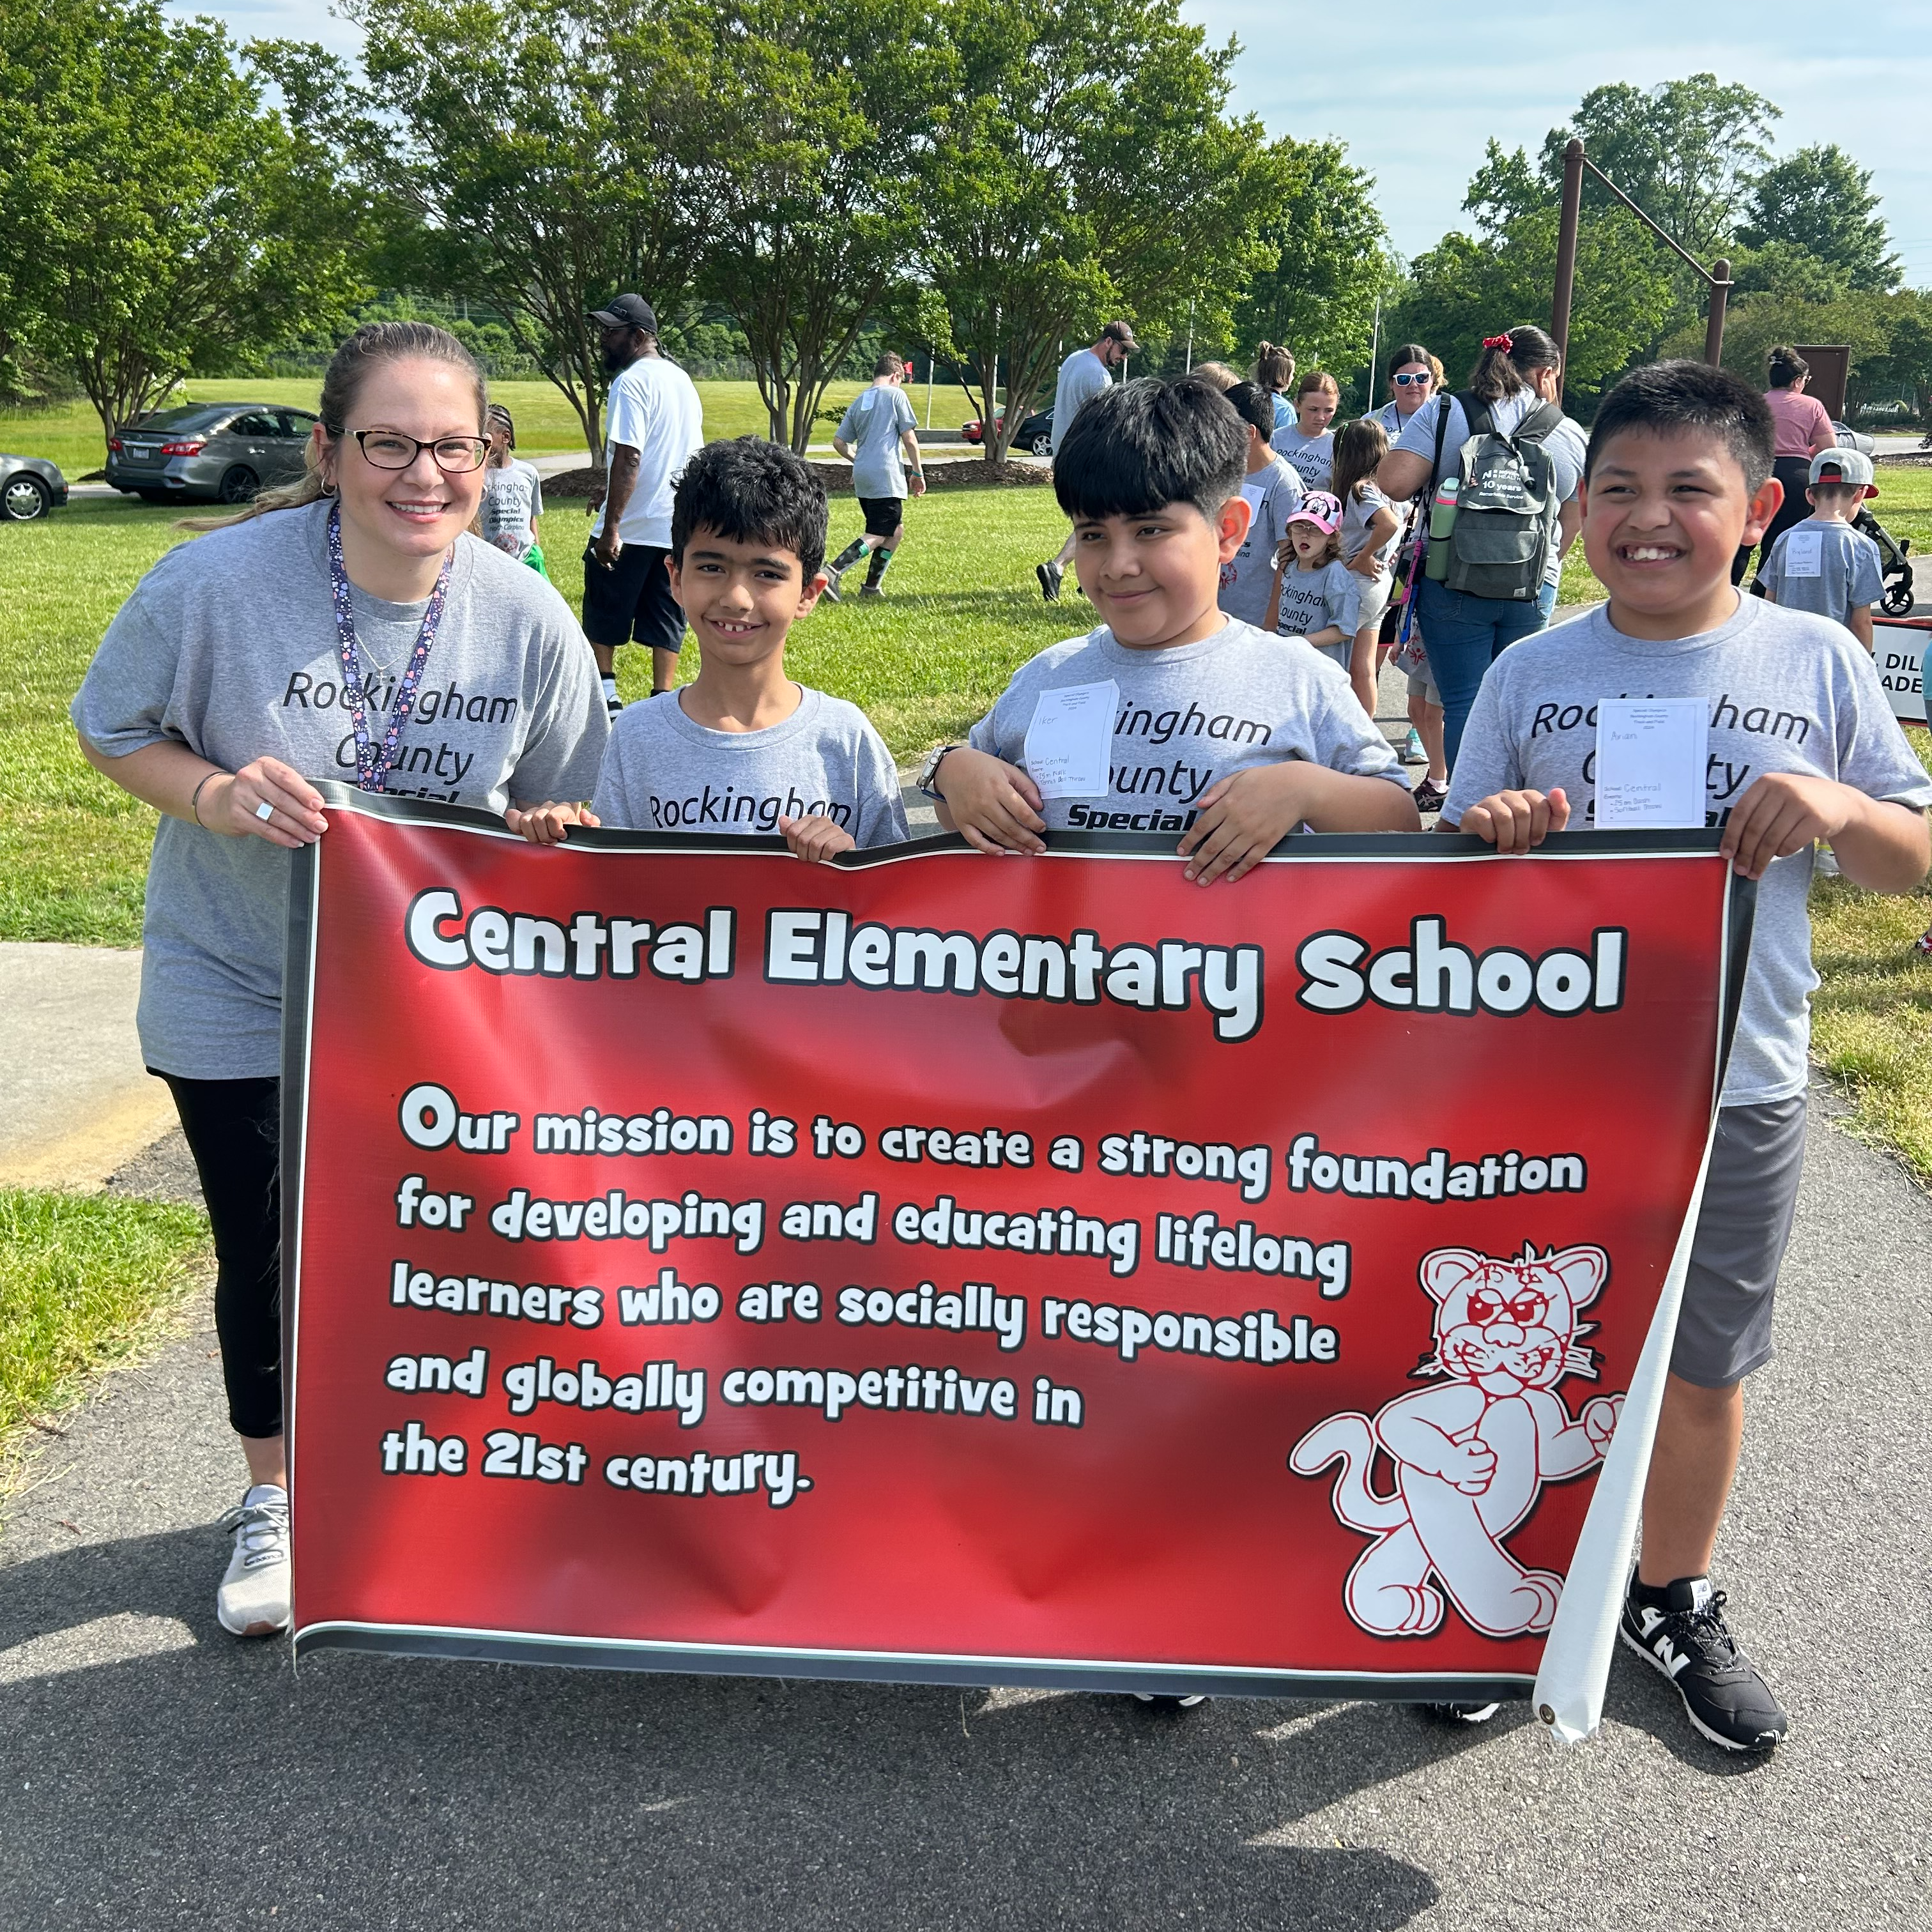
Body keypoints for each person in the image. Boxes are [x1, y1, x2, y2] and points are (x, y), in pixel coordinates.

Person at [68, 321, 610, 1640]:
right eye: (388, 442)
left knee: (451, 1250)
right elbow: (110, 727)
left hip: (434, 1011)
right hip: (240, 979)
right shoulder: (213, 588)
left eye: (454, 445)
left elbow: (566, 815)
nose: (423, 474)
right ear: (329, 449)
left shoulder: (525, 616)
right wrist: (213, 793)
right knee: (270, 1248)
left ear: (491, 454)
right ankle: (279, 1497)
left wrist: (549, 844)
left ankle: (442, 1473)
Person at [1443, 359, 1932, 1754]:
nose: (1648, 519)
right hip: (1548, 1085)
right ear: (1575, 509)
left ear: (1763, 506)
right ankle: (1507, 1599)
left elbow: (1909, 860)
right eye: (1618, 491)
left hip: (1741, 1080)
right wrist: (1501, 839)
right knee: (1518, 1365)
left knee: (1704, 1365)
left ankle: (1670, 1594)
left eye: (1688, 492)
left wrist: (1835, 798)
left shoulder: (1814, 658)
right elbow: (1450, 870)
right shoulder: (1536, 668)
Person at [924, 376, 1417, 884]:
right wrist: (952, 771)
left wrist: (1307, 791)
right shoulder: (1045, 678)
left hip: (1243, 960)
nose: (1117, 565)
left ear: (1228, 530)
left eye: (1150, 530)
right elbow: (966, 809)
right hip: (1070, 956)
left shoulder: (1298, 679)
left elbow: (1401, 824)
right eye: (1092, 535)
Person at [519, 439, 907, 858]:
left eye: (767, 573)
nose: (737, 598)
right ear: (677, 577)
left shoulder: (846, 742)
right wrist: (567, 846)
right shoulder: (636, 738)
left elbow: (898, 906)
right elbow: (613, 898)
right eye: (711, 567)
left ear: (808, 594)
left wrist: (850, 867)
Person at [1377, 325, 1587, 770]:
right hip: (1531, 586)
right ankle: (1516, 811)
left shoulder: (1445, 410)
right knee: (1517, 706)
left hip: (1453, 579)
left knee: (1463, 704)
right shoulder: (1566, 431)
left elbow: (1393, 483)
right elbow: (1573, 516)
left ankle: (1471, 814)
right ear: (1547, 373)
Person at [583, 293, 705, 710]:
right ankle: (661, 698)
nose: (603, 338)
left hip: (632, 525)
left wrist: (612, 526)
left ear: (637, 335)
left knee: (604, 603)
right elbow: (671, 451)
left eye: (610, 331)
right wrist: (608, 488)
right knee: (667, 613)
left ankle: (608, 697)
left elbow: (631, 454)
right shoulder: (681, 379)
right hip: (673, 525)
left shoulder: (630, 382)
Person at [1037, 322, 1135, 602]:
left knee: (1099, 517)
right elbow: (1104, 425)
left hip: (1062, 454)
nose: (1123, 357)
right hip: (1086, 457)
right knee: (1102, 519)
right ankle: (1057, 567)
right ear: (1107, 342)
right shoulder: (1100, 377)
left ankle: (1090, 577)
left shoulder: (1074, 359)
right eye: (1121, 350)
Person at [1756, 447, 1882, 652]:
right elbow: (1861, 622)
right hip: (1833, 661)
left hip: (1786, 655)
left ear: (1809, 495)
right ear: (1860, 494)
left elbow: (1770, 602)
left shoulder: (1785, 539)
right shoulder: (1861, 547)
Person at [1732, 345, 1836, 589]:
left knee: (1742, 540)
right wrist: (1803, 452)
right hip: (1797, 476)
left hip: (1758, 472)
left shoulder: (1754, 403)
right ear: (1797, 380)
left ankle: (1728, 591)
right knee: (1780, 542)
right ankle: (1763, 595)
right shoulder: (1812, 406)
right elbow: (1827, 447)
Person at [825, 351, 926, 601]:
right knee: (879, 532)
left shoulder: (860, 400)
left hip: (863, 476)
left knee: (895, 530)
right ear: (895, 375)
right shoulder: (896, 395)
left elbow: (839, 442)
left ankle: (871, 588)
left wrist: (858, 461)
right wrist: (917, 473)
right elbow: (910, 439)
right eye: (901, 379)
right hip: (885, 475)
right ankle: (831, 573)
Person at [1218, 381, 1306, 629]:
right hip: (1215, 612)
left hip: (1256, 619)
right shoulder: (1224, 471)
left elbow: (1289, 558)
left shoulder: (1283, 484)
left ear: (1249, 433)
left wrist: (1271, 621)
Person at [1331, 418, 1402, 719]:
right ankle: (1365, 732)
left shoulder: (1361, 490)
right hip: (1381, 584)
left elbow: (1389, 524)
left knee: (1333, 663)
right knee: (1364, 667)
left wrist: (1363, 555)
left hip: (1358, 582)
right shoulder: (1390, 491)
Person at [1264, 493, 1365, 686]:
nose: (1305, 534)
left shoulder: (1335, 575)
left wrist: (1301, 643)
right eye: (1298, 526)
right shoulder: (1290, 567)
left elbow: (1344, 629)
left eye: (1316, 529)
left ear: (1332, 538)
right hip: (1290, 668)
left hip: (1321, 676)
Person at [479, 404, 548, 578]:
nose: (483, 441)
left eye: (488, 436)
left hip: (527, 559)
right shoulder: (478, 475)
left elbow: (531, 516)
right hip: (491, 560)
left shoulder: (528, 473)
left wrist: (537, 549)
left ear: (505, 437)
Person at [1270, 371, 1340, 490]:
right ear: (1297, 405)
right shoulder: (1275, 439)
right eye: (1313, 409)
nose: (1321, 417)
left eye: (1328, 411)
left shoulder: (1337, 447)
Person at [1367, 344, 1443, 440]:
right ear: (1392, 383)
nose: (1413, 385)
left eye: (1421, 378)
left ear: (1431, 380)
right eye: (1404, 379)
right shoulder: (1372, 422)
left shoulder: (1447, 421)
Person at [1254, 342, 1297, 431]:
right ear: (1284, 375)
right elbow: (1287, 442)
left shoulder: (1247, 398)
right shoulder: (1285, 409)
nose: (1293, 378)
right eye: (1292, 373)